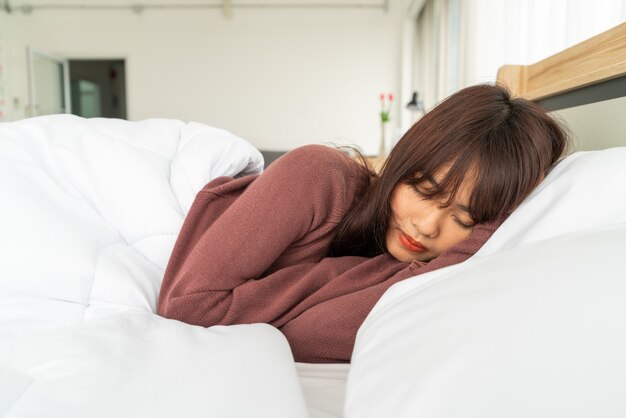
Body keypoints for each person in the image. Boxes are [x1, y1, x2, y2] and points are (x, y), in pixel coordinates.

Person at [157, 84, 569, 363]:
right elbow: (187, 306)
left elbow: (319, 332)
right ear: (404, 160)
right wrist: (324, 285)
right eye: (423, 189)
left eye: (464, 220)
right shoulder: (317, 177)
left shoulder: (425, 269)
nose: (427, 226)